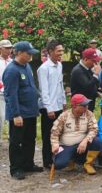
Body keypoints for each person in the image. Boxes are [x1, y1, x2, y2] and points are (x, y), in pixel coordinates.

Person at [4, 41, 43, 180]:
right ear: (19, 53)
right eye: (28, 53)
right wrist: (16, 114)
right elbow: (10, 95)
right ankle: (16, 169)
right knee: (16, 142)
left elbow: (31, 87)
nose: (31, 56)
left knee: (29, 139)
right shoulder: (12, 70)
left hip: (31, 111)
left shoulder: (26, 66)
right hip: (19, 113)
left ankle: (28, 164)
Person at [50, 94, 102, 175]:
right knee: (59, 164)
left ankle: (88, 164)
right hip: (66, 145)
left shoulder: (89, 114)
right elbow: (54, 132)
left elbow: (94, 129)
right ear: (74, 106)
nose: (86, 107)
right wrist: (55, 144)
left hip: (82, 144)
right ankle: (71, 160)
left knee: (97, 141)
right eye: (84, 105)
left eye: (87, 105)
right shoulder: (64, 115)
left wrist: (85, 141)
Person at [37, 40, 66, 169]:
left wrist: (64, 101)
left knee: (58, 133)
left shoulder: (59, 65)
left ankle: (57, 158)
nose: (61, 53)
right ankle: (47, 161)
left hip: (59, 105)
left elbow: (60, 84)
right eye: (58, 51)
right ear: (50, 52)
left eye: (62, 51)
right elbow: (44, 90)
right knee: (48, 134)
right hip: (48, 107)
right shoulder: (43, 68)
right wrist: (49, 108)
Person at [0, 39, 12, 145]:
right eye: (6, 48)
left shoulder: (12, 62)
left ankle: (11, 136)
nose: (9, 50)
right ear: (1, 49)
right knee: (1, 117)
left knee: (12, 116)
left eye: (10, 48)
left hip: (11, 93)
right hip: (1, 94)